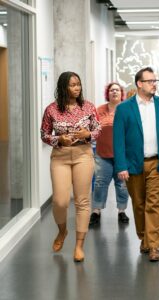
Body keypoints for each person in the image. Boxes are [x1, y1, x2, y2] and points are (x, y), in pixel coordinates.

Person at [113, 67, 159, 262]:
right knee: (139, 204)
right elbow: (118, 140)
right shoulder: (124, 108)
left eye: (155, 80)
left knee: (154, 204)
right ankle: (144, 237)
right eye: (150, 81)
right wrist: (121, 166)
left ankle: (154, 246)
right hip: (133, 165)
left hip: (157, 163)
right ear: (139, 84)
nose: (154, 84)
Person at [41, 71, 101, 262]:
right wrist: (59, 139)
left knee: (82, 201)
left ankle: (79, 246)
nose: (77, 88)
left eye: (78, 84)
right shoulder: (51, 110)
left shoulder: (89, 107)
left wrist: (88, 135)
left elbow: (98, 129)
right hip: (60, 156)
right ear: (63, 87)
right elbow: (44, 134)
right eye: (73, 85)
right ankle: (62, 231)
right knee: (60, 201)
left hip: (83, 154)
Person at [89, 82, 129, 226]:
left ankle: (122, 211)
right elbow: (92, 128)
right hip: (102, 153)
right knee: (100, 183)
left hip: (122, 155)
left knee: (122, 184)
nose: (114, 92)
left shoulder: (126, 109)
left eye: (117, 90)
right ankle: (96, 211)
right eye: (111, 90)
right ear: (108, 93)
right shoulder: (99, 110)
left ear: (121, 93)